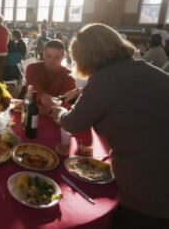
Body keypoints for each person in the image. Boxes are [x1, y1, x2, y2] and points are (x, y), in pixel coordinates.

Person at [51, 23, 169, 228]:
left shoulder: (104, 80)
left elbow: (73, 122)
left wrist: (58, 110)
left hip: (150, 186)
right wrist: (83, 92)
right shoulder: (143, 68)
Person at [26, 39, 75, 115]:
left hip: (54, 115)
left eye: (57, 57)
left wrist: (50, 109)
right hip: (30, 112)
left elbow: (65, 99)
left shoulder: (69, 75)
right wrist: (42, 96)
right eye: (49, 56)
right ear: (44, 54)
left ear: (63, 56)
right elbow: (32, 85)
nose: (52, 61)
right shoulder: (32, 68)